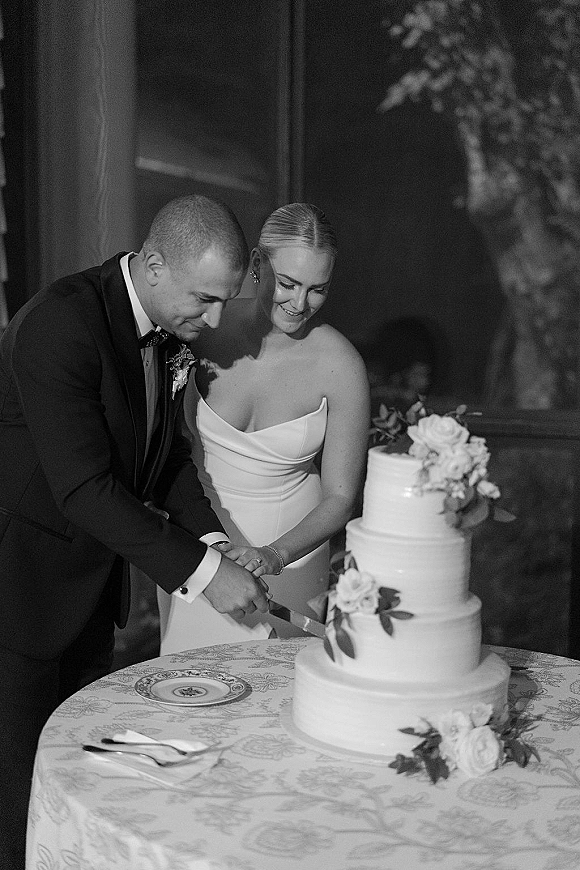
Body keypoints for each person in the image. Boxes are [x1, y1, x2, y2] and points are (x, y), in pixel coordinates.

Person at [0, 194, 269, 870]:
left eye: (223, 304)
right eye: (205, 300)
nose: (211, 323)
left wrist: (211, 542)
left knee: (78, 784)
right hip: (20, 593)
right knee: (18, 803)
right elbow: (85, 488)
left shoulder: (164, 326)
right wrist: (207, 579)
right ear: (154, 264)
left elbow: (164, 457)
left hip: (88, 594)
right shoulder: (60, 325)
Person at [158, 202, 370, 651]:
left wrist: (274, 555)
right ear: (256, 264)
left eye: (317, 290)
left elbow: (340, 497)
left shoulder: (341, 365)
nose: (299, 303)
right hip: (196, 543)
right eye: (288, 283)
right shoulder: (200, 331)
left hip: (292, 554)